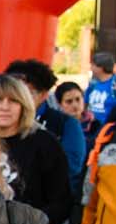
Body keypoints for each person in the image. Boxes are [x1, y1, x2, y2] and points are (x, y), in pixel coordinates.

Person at [0, 75, 73, 224]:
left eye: (13, 101)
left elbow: (62, 201)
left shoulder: (45, 143)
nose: (5, 107)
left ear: (23, 106)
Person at [6, 57, 86, 193]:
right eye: (14, 92)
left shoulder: (65, 124)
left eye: (27, 92)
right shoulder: (0, 122)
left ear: (43, 95)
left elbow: (71, 168)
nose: (19, 98)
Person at [57, 80, 101, 150]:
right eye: (69, 101)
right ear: (59, 104)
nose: (75, 105)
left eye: (78, 99)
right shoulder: (56, 126)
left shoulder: (95, 125)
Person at [85, 52, 116, 121]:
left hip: (108, 129)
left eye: (93, 65)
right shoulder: (93, 84)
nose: (91, 68)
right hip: (92, 128)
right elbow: (85, 103)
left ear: (101, 67)